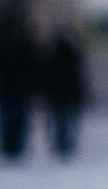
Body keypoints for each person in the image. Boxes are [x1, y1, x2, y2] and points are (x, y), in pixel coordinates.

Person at [39, 32, 85, 161]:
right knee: (67, 120)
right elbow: (77, 79)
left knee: (58, 120)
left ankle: (59, 142)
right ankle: (66, 143)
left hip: (56, 96)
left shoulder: (51, 58)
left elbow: (45, 77)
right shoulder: (72, 58)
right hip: (67, 95)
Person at [0, 16, 33, 161]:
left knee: (19, 118)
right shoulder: (9, 46)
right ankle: (9, 145)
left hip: (19, 90)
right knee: (8, 119)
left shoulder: (24, 46)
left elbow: (32, 69)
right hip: (8, 89)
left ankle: (16, 146)